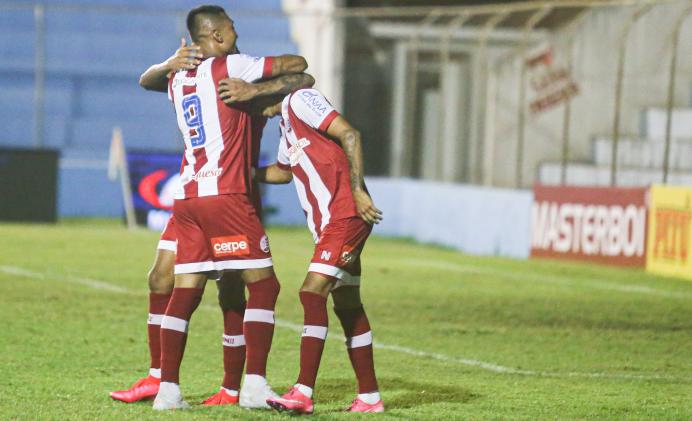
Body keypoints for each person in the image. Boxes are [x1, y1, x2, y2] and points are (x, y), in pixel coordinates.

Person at [129, 5, 314, 411]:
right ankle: (253, 386)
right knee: (264, 286)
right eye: (230, 27)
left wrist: (170, 63)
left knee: (187, 290)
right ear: (215, 36)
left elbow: (147, 81)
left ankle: (168, 390)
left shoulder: (177, 78)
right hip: (228, 194)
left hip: (189, 196)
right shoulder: (233, 66)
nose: (235, 30)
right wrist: (255, 90)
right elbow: (299, 66)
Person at [218, 82, 385, 414]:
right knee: (348, 305)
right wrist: (240, 172)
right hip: (329, 224)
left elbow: (350, 134)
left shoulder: (300, 100)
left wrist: (359, 189)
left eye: (256, 97)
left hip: (345, 215)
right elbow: (282, 173)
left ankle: (303, 391)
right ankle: (369, 398)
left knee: (312, 292)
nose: (255, 107)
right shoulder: (286, 127)